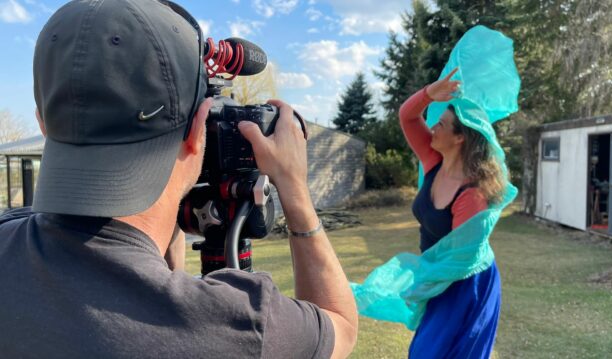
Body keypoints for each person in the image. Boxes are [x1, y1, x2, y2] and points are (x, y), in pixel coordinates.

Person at [0, 0, 357, 358]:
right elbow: (340, 326)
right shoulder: (242, 324)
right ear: (198, 127)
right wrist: (294, 188)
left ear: (44, 124)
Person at [399, 68, 506, 358]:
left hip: (464, 285)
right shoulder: (434, 161)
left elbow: (458, 261)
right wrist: (429, 94)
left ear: (460, 138)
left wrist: (421, 280)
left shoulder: (472, 195)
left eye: (442, 124)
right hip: (439, 275)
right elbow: (408, 116)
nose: (433, 128)